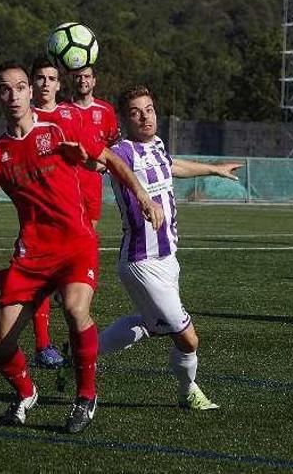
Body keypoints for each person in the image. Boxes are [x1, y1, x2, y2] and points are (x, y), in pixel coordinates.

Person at [0, 61, 164, 434]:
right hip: (31, 255)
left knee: (74, 307)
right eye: (5, 89)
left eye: (19, 87)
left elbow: (109, 158)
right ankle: (26, 391)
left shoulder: (59, 126)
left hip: (75, 243)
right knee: (0, 342)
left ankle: (85, 397)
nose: (13, 95)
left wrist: (143, 196)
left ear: (30, 92)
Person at [98, 84, 240, 410]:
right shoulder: (121, 152)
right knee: (188, 338)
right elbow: (97, 161)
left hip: (167, 257)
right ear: (125, 120)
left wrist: (214, 169)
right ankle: (189, 391)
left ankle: (78, 353)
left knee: (150, 325)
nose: (145, 117)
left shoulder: (158, 145)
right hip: (141, 260)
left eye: (148, 109)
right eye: (136, 113)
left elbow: (174, 166)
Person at [0, 57, 98, 369]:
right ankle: (44, 346)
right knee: (45, 283)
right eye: (40, 78)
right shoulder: (10, 141)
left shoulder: (71, 117)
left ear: (60, 84)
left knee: (59, 287)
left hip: (84, 201)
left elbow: (104, 155)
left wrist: (95, 163)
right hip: (41, 225)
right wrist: (4, 175)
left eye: (51, 78)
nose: (45, 83)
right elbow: (7, 164)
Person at [69, 65, 119, 229]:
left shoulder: (106, 110)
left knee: (89, 232)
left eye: (87, 76)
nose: (82, 80)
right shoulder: (63, 110)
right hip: (66, 182)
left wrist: (104, 166)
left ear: (94, 81)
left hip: (92, 183)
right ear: (73, 80)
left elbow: (113, 146)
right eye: (78, 76)